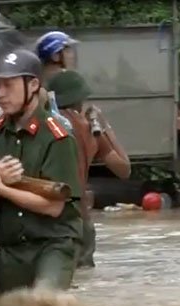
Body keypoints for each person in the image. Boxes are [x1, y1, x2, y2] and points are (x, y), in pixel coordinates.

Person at [0, 49, 83, 294]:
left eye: (8, 85)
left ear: (32, 85)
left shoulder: (57, 136)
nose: (0, 94)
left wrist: (2, 188)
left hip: (52, 245)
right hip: (10, 250)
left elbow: (54, 207)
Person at [46, 70, 131, 268]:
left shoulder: (48, 126)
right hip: (82, 218)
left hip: (53, 219)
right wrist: (105, 126)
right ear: (79, 100)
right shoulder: (90, 130)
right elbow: (124, 169)